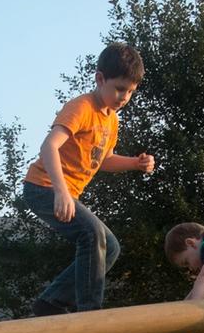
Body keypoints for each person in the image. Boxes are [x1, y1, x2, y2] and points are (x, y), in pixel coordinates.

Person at [22, 42, 155, 316]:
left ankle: (51, 302)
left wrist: (135, 163)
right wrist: (60, 191)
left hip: (62, 192)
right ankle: (89, 311)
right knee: (91, 234)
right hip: (43, 187)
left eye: (130, 92)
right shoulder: (82, 107)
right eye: (119, 89)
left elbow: (103, 159)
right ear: (100, 79)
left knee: (112, 248)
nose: (123, 98)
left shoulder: (111, 120)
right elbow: (49, 146)